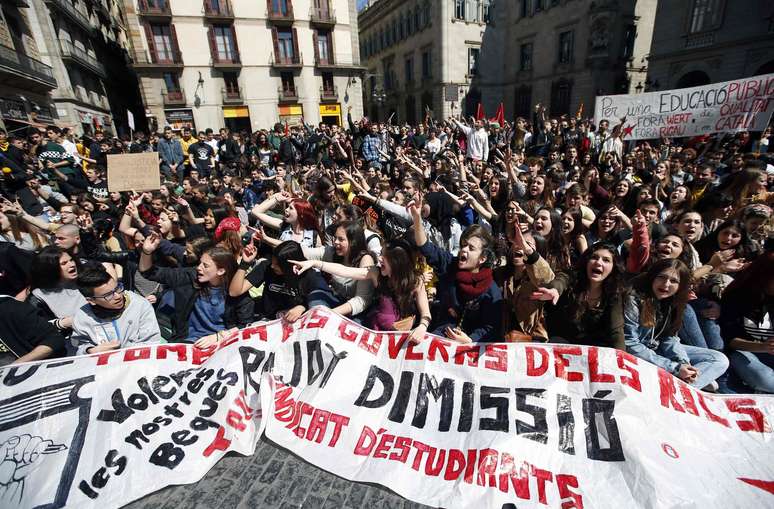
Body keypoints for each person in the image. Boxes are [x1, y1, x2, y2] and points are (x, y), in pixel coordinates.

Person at [292, 238, 432, 341]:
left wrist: (422, 327)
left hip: (400, 339)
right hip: (374, 334)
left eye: (384, 257)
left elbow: (425, 312)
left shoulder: (416, 282)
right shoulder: (375, 273)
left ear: (397, 263)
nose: (379, 259)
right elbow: (345, 271)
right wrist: (315, 263)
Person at [624, 258, 729, 389]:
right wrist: (675, 368)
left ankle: (683, 384)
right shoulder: (634, 299)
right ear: (652, 277)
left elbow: (670, 338)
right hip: (640, 354)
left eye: (674, 281)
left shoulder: (673, 301)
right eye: (662, 277)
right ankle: (687, 386)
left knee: (719, 359)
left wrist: (683, 363)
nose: (666, 284)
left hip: (658, 350)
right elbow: (629, 344)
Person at [410, 199, 502, 342]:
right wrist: (417, 218)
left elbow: (490, 327)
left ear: (482, 259)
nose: (464, 250)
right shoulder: (449, 264)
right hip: (442, 332)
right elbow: (425, 247)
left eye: (471, 248)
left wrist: (470, 340)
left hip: (470, 347)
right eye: (463, 245)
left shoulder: (491, 291)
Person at [139, 233, 253, 343]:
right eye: (200, 263)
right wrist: (147, 252)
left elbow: (245, 326)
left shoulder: (236, 290)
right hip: (189, 342)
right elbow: (148, 272)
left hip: (223, 345)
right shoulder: (190, 277)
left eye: (205, 265)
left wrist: (218, 337)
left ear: (221, 271)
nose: (199, 268)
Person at [533, 242, 625, 350]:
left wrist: (621, 360)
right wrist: (554, 290)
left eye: (606, 260)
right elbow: (561, 281)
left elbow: (616, 332)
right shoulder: (572, 276)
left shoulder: (614, 293)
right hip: (560, 346)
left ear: (613, 267)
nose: (598, 263)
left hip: (592, 350)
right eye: (594, 257)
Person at [71, 264, 162, 355]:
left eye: (117, 288)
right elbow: (79, 348)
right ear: (91, 300)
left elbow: (151, 343)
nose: (118, 296)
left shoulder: (140, 305)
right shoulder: (82, 317)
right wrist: (90, 351)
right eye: (108, 295)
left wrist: (121, 354)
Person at [719, 252, 773, 393]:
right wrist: (763, 347)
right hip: (746, 353)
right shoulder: (737, 297)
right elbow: (730, 340)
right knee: (764, 379)